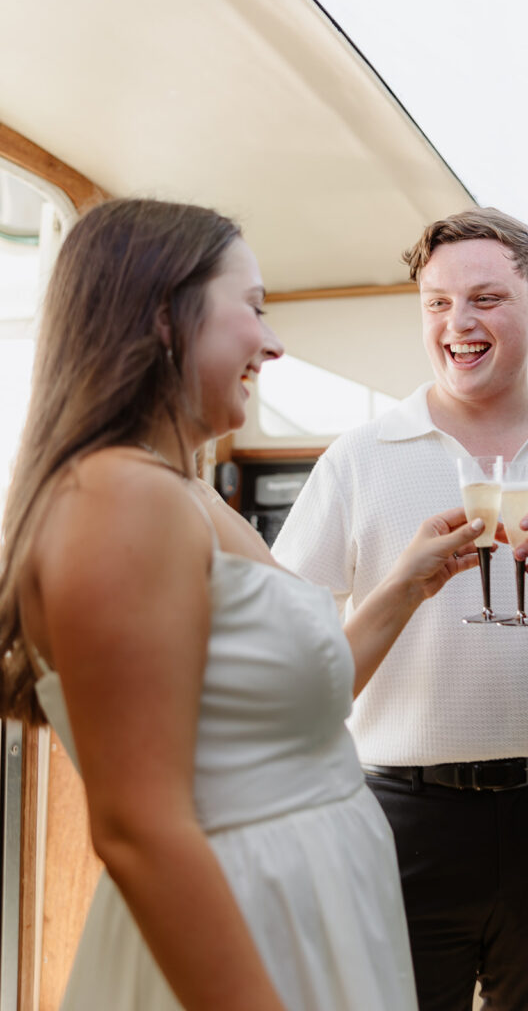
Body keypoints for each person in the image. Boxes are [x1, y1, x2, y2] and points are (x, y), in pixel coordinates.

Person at [0, 198, 492, 1011]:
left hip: (313, 918)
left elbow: (312, 695)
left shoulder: (189, 495)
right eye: (255, 308)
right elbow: (137, 829)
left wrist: (406, 582)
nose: (273, 341)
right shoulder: (118, 497)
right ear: (165, 316)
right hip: (241, 935)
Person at [272, 206, 528, 1011]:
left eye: (485, 299)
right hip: (396, 818)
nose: (457, 323)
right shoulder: (357, 459)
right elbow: (291, 659)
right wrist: (400, 585)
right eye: (435, 302)